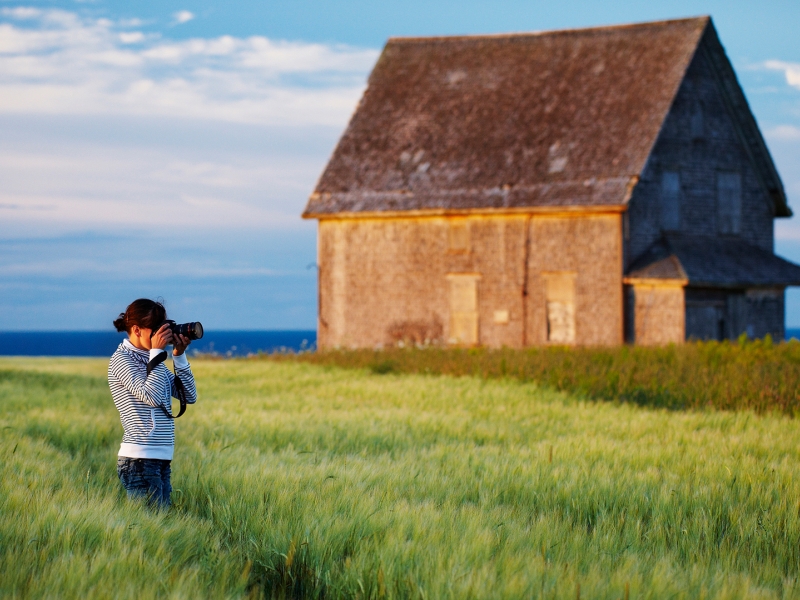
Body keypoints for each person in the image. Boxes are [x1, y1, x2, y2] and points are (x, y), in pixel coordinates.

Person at [108, 298, 197, 508]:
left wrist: (179, 356)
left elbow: (189, 396)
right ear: (137, 330)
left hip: (160, 458)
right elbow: (152, 396)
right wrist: (157, 353)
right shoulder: (122, 360)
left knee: (162, 524)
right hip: (140, 461)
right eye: (156, 329)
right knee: (148, 526)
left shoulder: (150, 360)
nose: (162, 334)